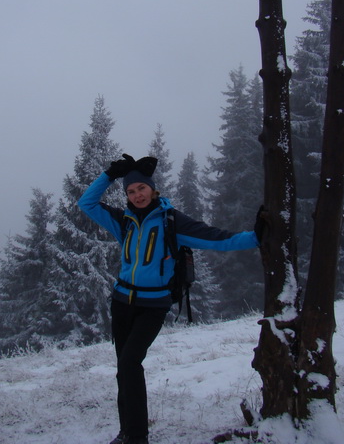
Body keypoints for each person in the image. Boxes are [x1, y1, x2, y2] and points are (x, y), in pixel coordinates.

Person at [78, 154, 265, 444]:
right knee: (123, 370)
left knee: (130, 363)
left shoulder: (171, 222)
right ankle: (126, 431)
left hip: (152, 306)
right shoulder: (123, 221)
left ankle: (137, 437)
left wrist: (255, 238)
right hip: (122, 302)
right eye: (130, 191)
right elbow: (86, 204)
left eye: (141, 188)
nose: (137, 195)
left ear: (153, 189)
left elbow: (216, 238)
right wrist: (109, 175)